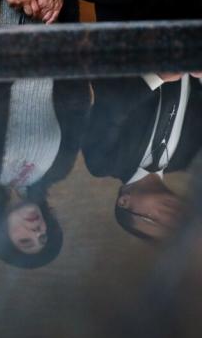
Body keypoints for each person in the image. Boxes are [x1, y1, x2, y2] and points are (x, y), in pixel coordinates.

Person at [0, 79, 88, 268]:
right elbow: (78, 107)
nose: (36, 232)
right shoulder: (58, 170)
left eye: (25, 241)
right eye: (43, 237)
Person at [85, 73, 202, 240]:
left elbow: (111, 105)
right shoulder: (186, 159)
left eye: (153, 220)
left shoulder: (104, 163)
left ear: (124, 202)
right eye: (176, 223)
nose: (170, 217)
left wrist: (158, 76)